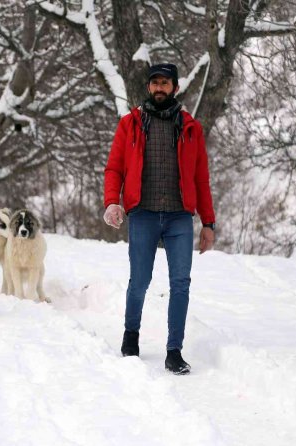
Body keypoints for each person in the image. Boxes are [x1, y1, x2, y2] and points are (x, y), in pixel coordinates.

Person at [103, 63, 215, 375]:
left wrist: (208, 222)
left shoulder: (191, 128)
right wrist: (112, 202)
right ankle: (131, 335)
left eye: (165, 83)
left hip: (180, 216)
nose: (159, 88)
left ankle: (174, 351)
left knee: (181, 283)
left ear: (175, 88)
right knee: (139, 280)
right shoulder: (131, 124)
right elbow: (114, 168)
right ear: (149, 88)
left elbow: (201, 178)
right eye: (155, 84)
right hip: (144, 214)